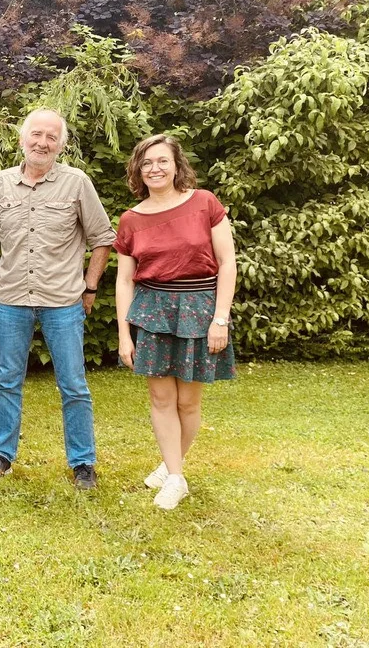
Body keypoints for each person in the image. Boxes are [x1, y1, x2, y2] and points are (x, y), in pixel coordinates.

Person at [0, 108, 115, 490]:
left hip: (63, 301)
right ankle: (0, 456)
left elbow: (102, 238)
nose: (42, 143)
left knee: (74, 384)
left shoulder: (77, 183)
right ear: (22, 139)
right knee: (7, 380)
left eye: (51, 137)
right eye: (36, 134)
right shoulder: (0, 184)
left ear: (61, 145)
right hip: (12, 299)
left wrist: (90, 285)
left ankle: (83, 463)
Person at [114, 134, 237, 510]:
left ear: (176, 164)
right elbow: (123, 280)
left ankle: (171, 469)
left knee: (188, 401)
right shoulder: (131, 220)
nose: (155, 168)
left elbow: (227, 263)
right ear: (138, 170)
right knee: (160, 397)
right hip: (153, 310)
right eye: (147, 163)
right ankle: (176, 477)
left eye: (162, 161)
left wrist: (221, 319)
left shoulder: (204, 203)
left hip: (200, 308)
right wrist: (124, 334)